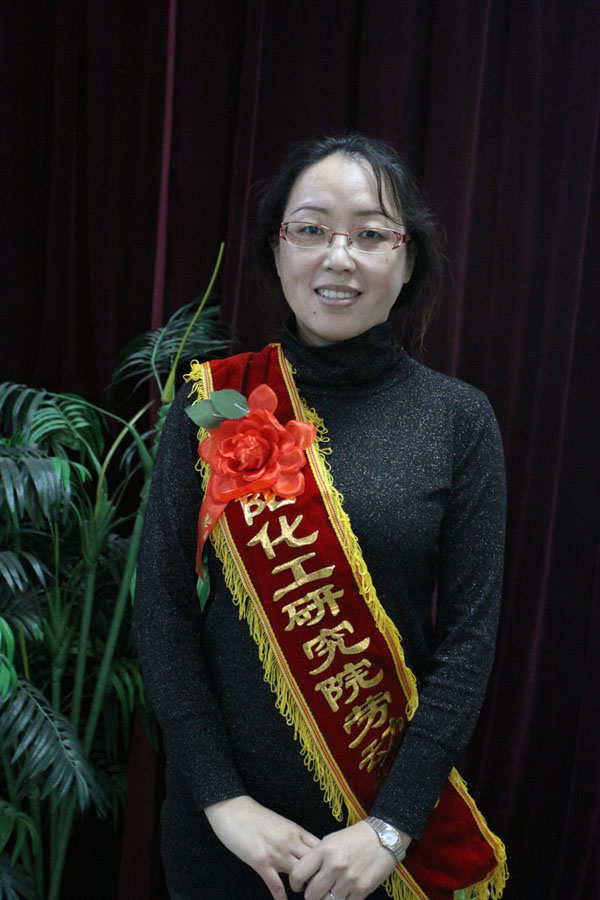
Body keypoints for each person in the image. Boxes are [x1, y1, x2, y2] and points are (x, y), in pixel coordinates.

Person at [133, 135, 507, 900]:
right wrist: (223, 801)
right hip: (226, 839)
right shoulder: (215, 403)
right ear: (278, 249)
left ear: (407, 258)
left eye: (370, 234)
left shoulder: (459, 420)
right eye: (311, 229)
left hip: (380, 840)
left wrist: (391, 827)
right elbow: (163, 611)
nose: (338, 258)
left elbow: (469, 640)